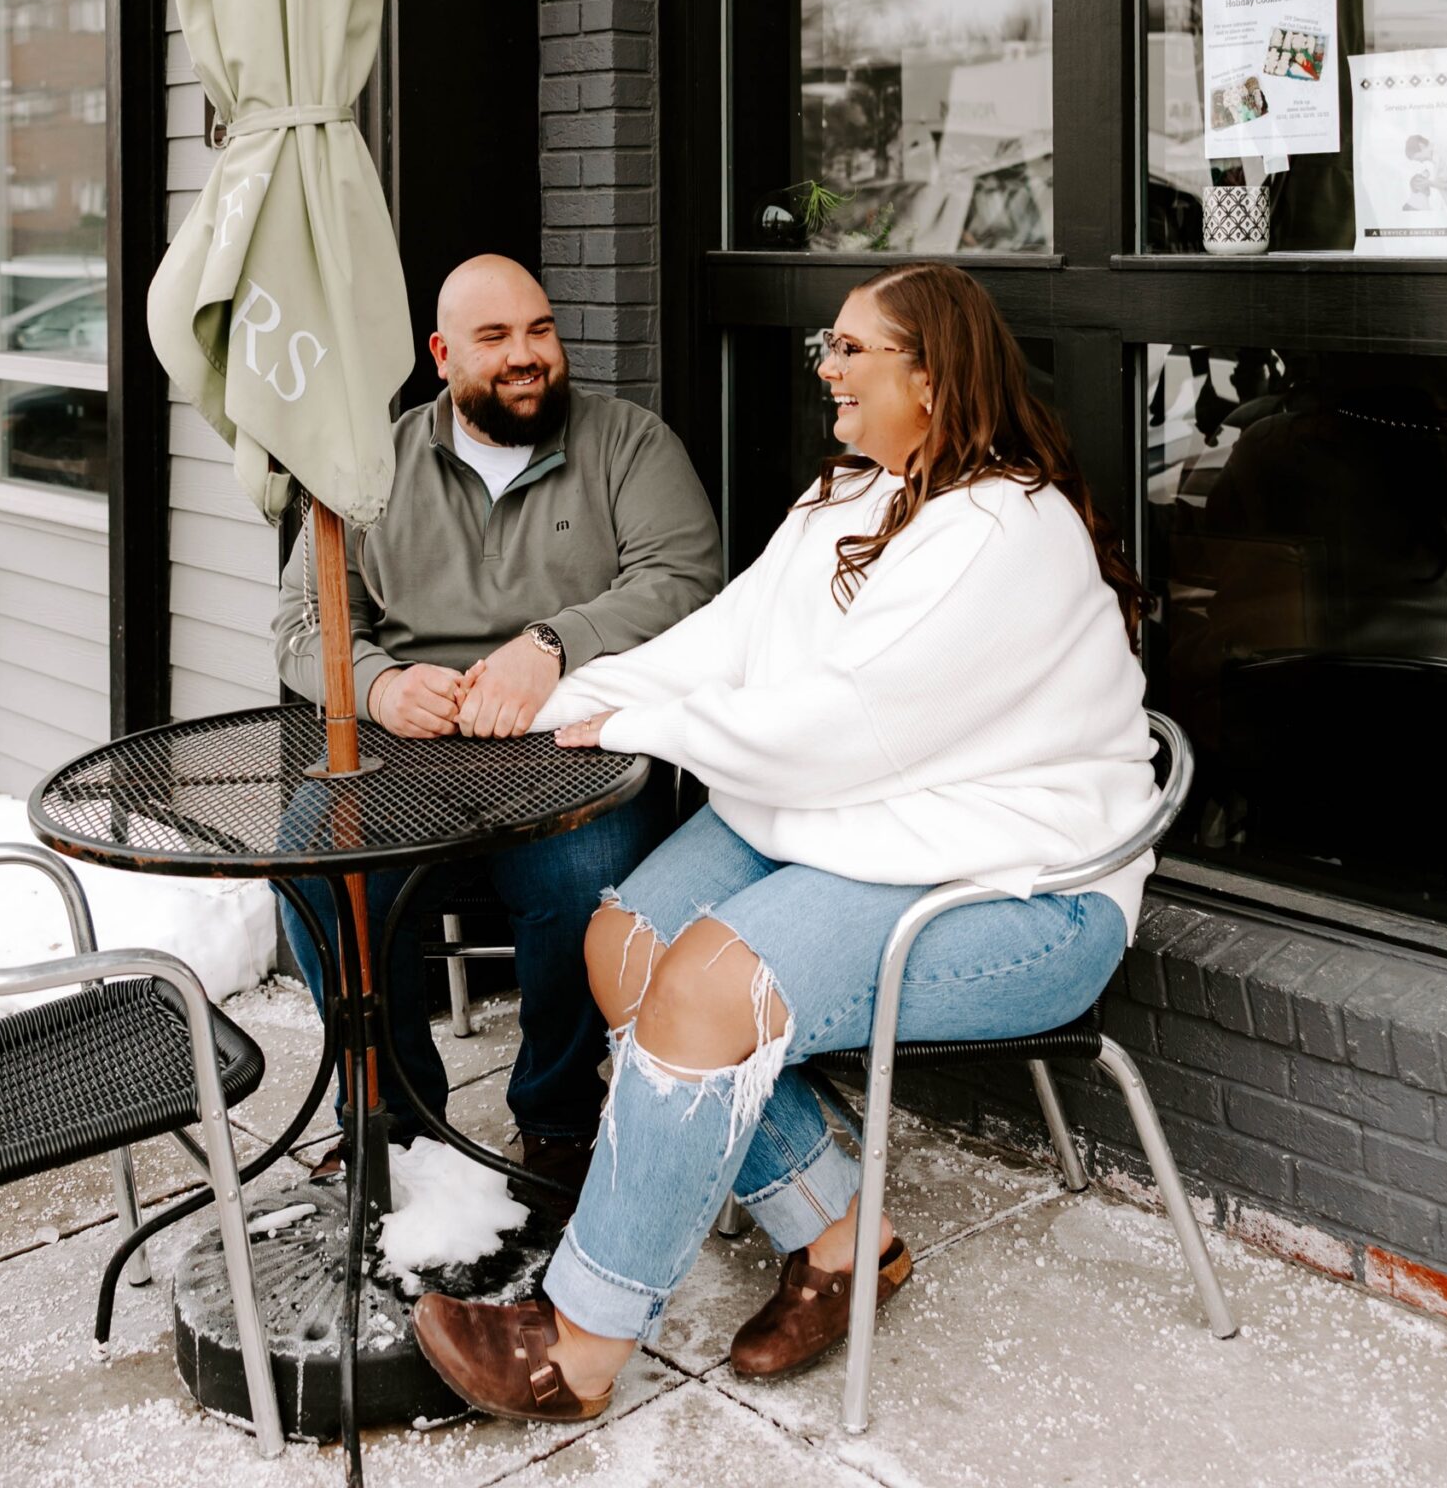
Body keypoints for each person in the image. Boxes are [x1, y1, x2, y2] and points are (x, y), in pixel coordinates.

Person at [409, 262, 1158, 1418]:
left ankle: (582, 1340)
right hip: (859, 823)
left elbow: (841, 726)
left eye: (855, 348)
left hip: (1019, 886)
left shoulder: (1009, 528)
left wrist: (639, 724)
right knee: (629, 946)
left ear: (935, 373)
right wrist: (557, 693)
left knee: (707, 995)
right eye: (831, 342)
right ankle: (845, 1239)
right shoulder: (846, 498)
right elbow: (724, 642)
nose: (827, 365)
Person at [272, 254, 722, 1190]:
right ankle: (393, 1115)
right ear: (441, 355)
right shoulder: (371, 462)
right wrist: (376, 683)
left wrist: (556, 643)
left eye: (540, 330)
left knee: (581, 873)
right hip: (408, 748)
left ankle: (556, 1113)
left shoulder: (630, 444)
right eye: (495, 338)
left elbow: (684, 583)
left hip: (576, 746)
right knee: (314, 864)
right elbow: (306, 620)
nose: (527, 356)